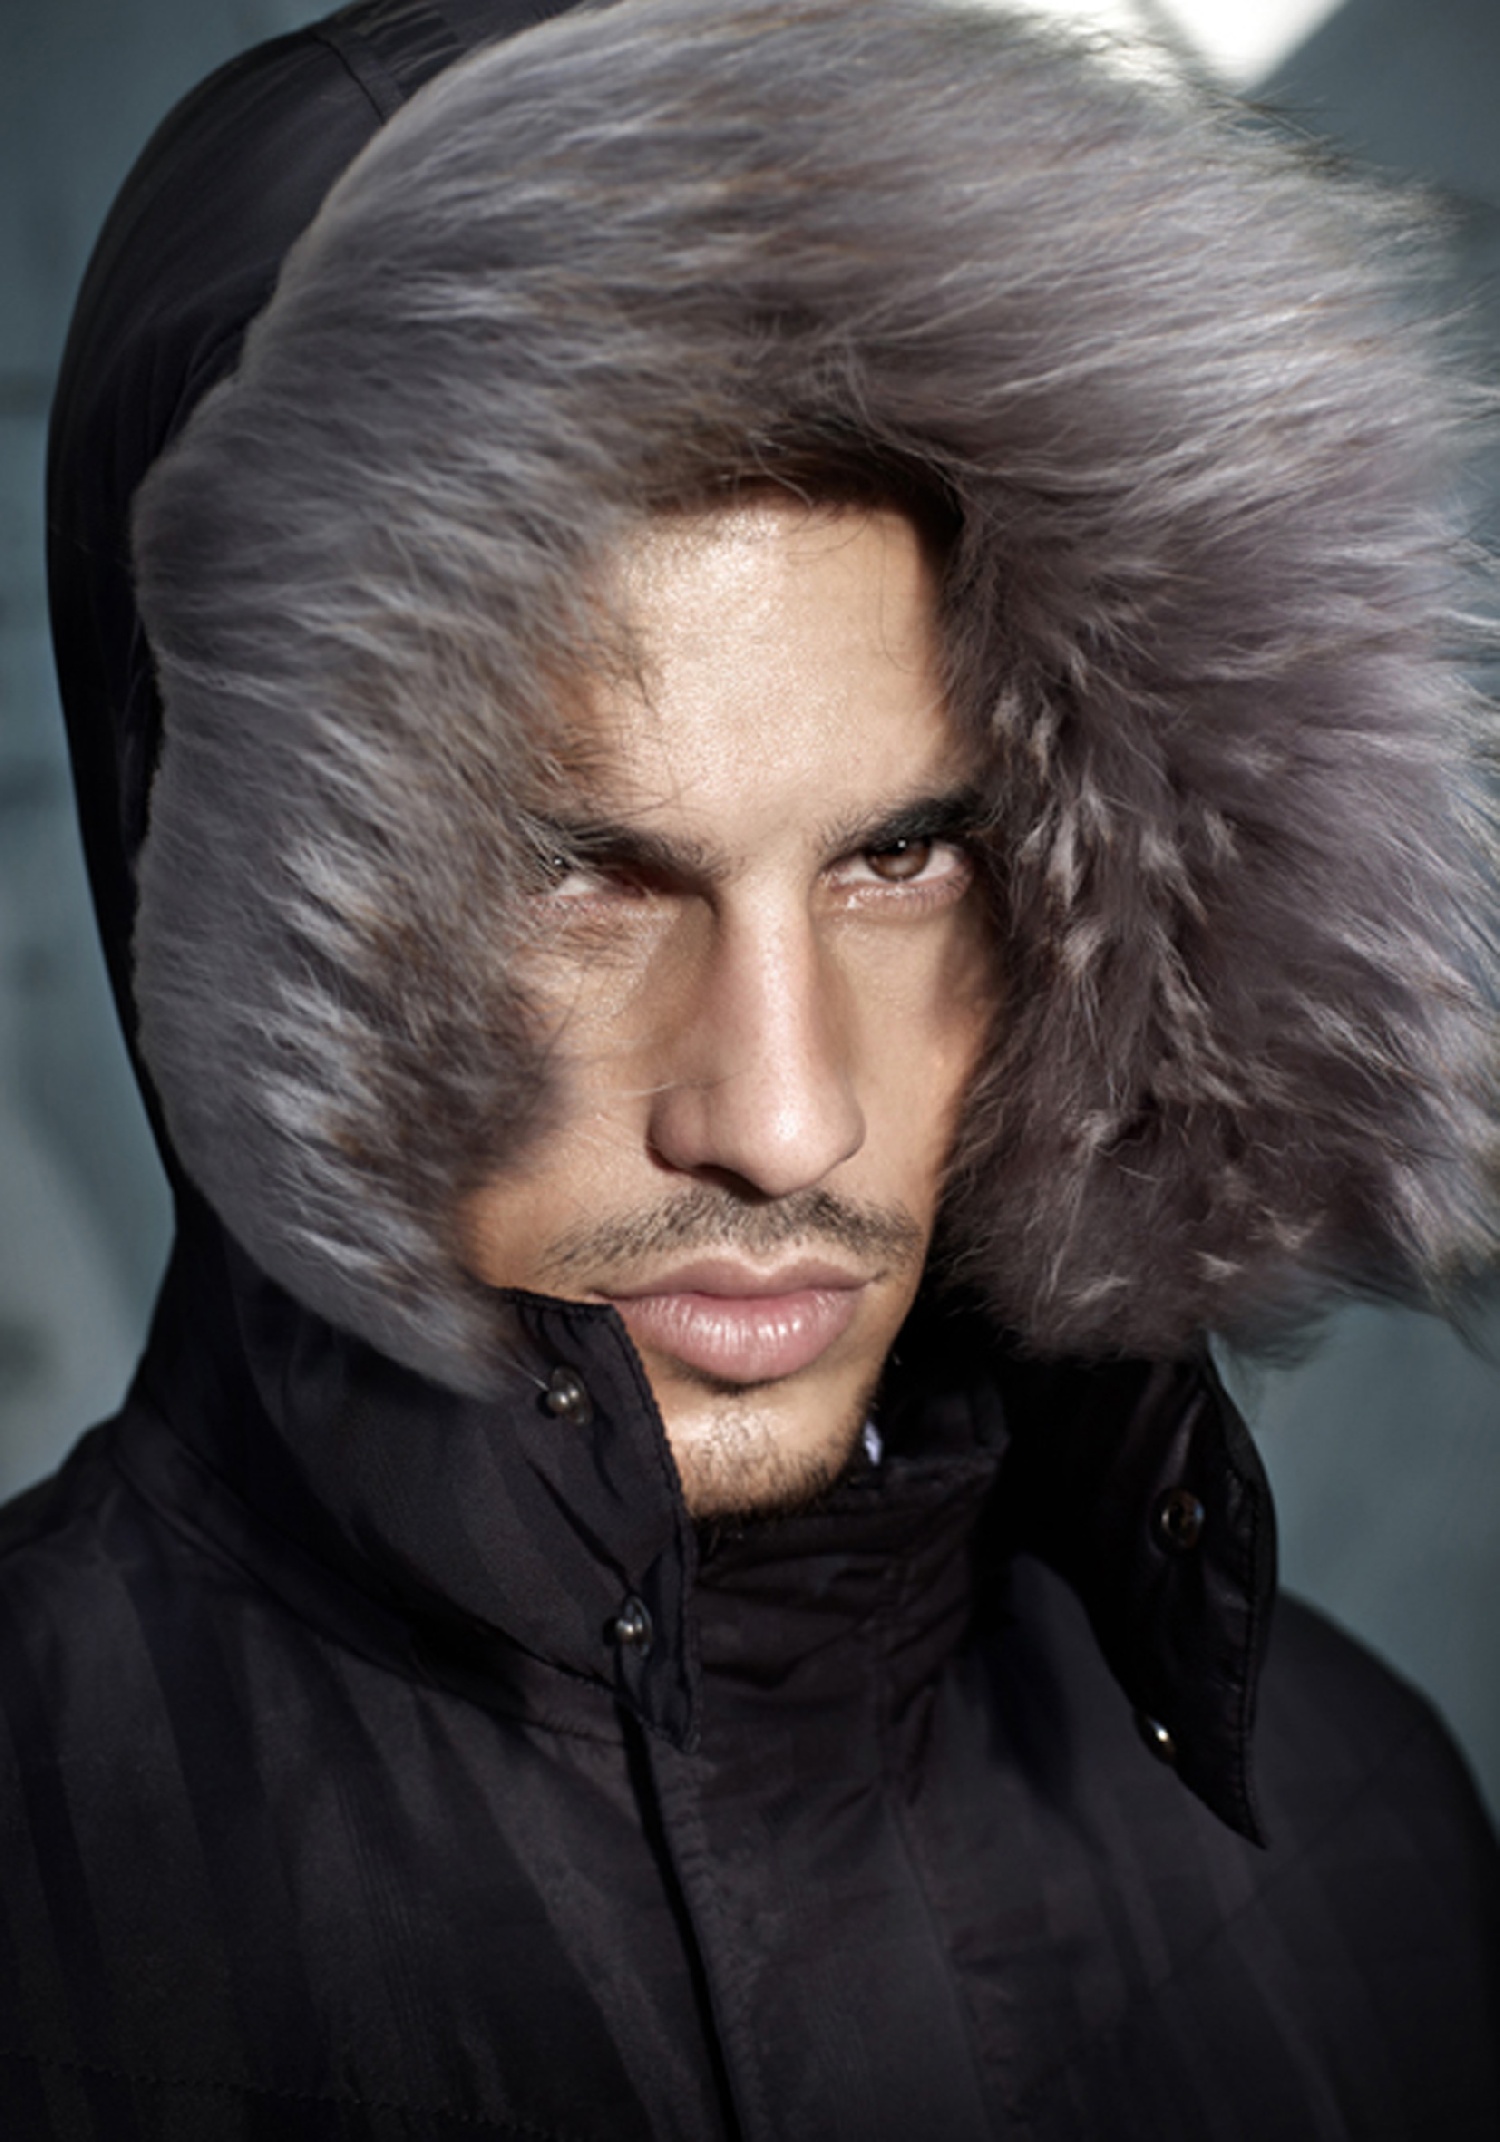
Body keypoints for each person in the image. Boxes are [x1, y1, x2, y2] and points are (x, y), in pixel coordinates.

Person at [14, 0, 1499, 2133]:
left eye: (902, 857)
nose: (787, 1118)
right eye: (581, 877)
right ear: (233, 898)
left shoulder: (1359, 1846)